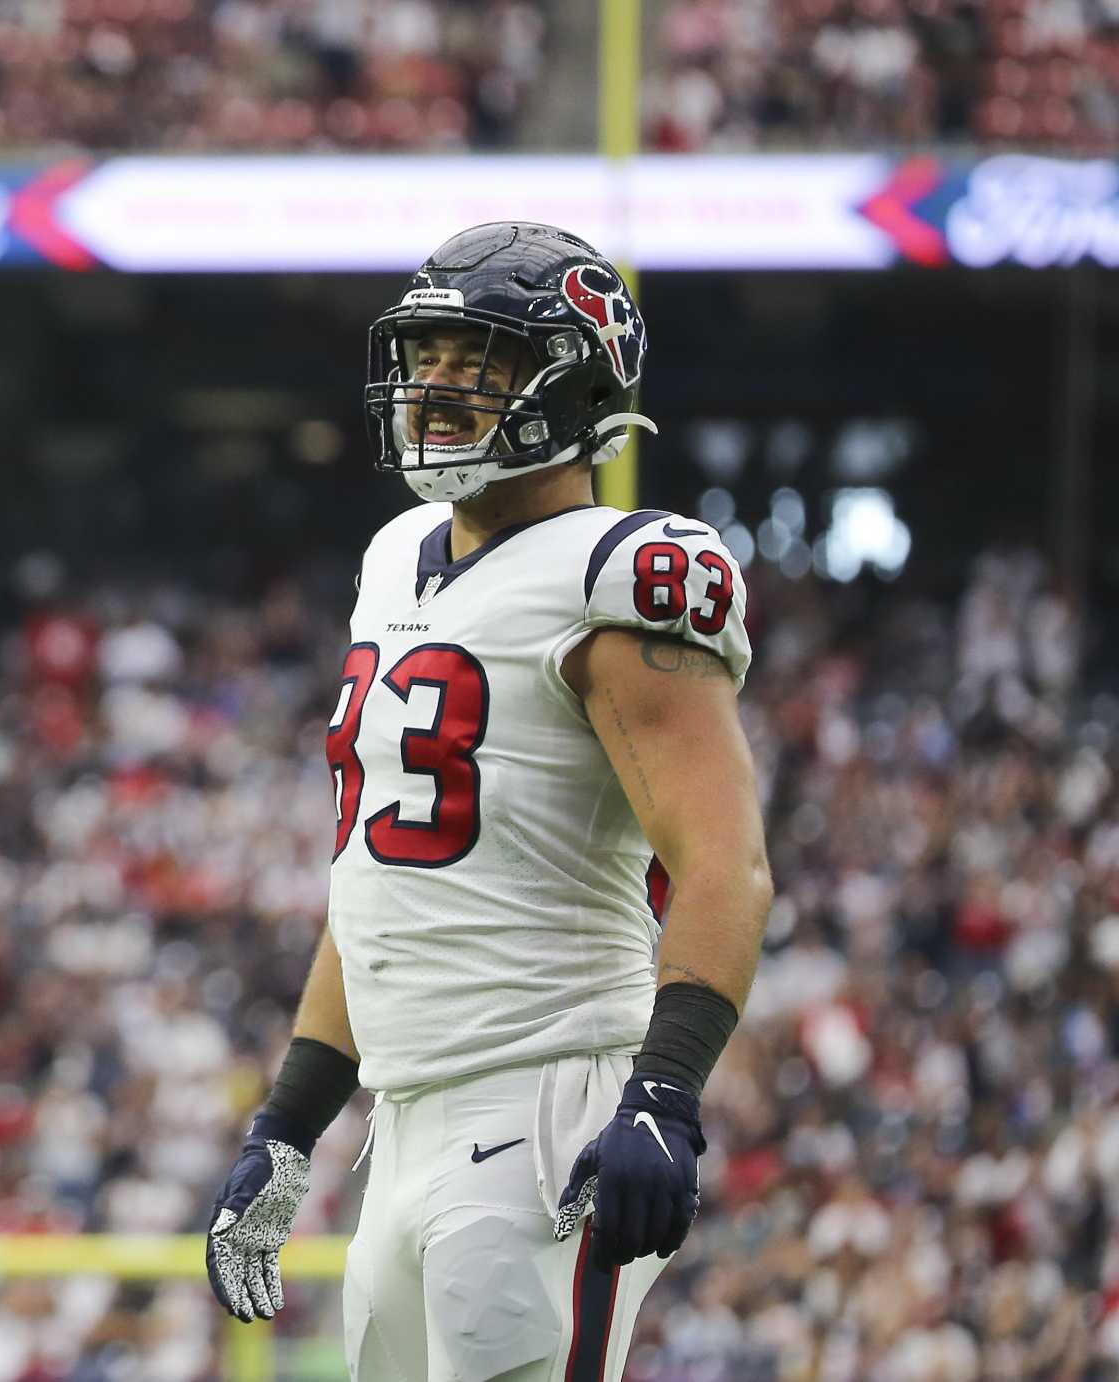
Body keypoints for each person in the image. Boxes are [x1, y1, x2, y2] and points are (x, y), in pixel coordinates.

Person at [205, 222, 771, 1381]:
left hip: (546, 1090)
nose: (439, 388)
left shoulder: (621, 569)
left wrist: (662, 1092)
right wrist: (287, 1124)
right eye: (430, 356)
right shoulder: (395, 554)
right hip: (405, 1115)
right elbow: (377, 880)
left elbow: (722, 863)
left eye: (483, 362)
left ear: (574, 376)